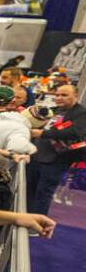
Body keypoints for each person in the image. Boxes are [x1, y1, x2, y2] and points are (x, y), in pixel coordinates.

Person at [27, 83, 86, 216]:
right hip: (36, 156)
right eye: (57, 95)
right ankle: (26, 219)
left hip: (56, 161)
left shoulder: (81, 113)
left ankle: (37, 223)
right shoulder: (53, 110)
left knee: (43, 193)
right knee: (29, 191)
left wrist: (43, 134)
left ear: (75, 96)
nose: (59, 97)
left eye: (64, 95)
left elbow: (76, 133)